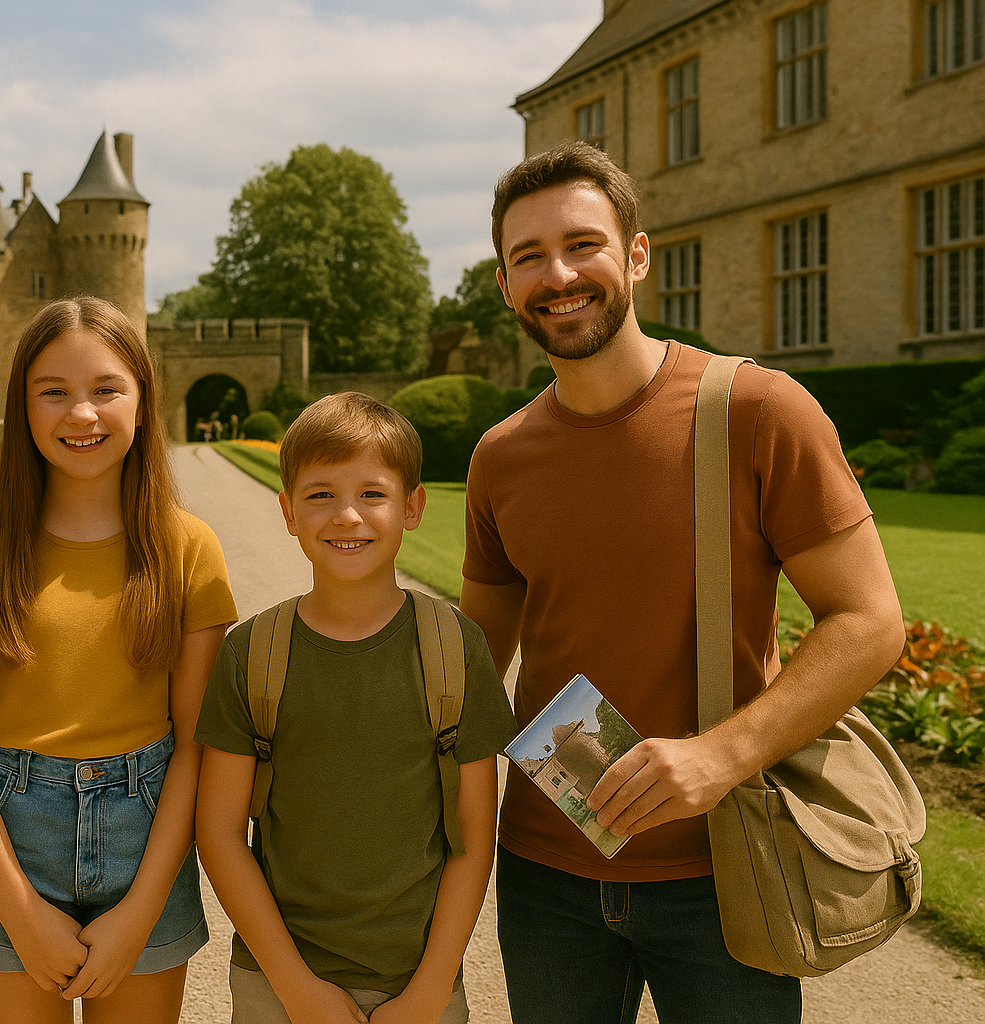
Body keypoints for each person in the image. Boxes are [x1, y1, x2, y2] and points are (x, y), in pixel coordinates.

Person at [462, 142, 905, 1023]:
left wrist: (720, 755)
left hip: (729, 867)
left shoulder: (757, 409)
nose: (558, 275)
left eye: (582, 244)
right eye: (528, 258)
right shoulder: (501, 458)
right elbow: (475, 663)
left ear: (635, 255)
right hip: (546, 871)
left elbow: (869, 621)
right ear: (507, 287)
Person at [0, 296, 237, 1024]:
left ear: (142, 400)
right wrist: (20, 910)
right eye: (54, 392)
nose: (82, 415)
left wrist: (141, 911)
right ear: (23, 407)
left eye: (106, 390)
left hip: (147, 837)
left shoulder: (190, 549)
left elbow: (197, 746)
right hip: (10, 839)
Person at [196, 392, 516, 1024]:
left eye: (372, 493)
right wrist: (297, 989)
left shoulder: (455, 648)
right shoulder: (251, 654)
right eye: (320, 495)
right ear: (286, 511)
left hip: (421, 985)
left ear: (412, 506)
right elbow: (221, 833)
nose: (347, 515)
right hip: (277, 982)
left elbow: (474, 840)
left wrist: (428, 992)